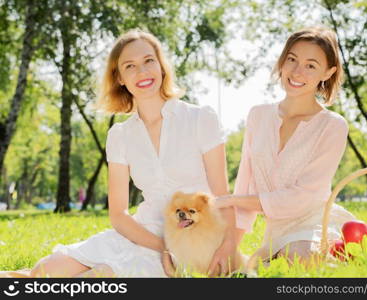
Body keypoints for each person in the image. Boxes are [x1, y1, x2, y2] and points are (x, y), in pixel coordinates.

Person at [26, 29, 236, 277]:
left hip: (193, 236)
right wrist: (161, 247)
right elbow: (118, 215)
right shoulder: (120, 135)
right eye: (130, 66)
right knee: (44, 271)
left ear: (161, 66)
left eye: (149, 61)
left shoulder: (201, 118)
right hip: (142, 233)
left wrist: (228, 247)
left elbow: (223, 197)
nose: (143, 72)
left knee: (101, 277)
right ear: (120, 78)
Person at [215, 27, 356, 266]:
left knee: (300, 257)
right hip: (276, 234)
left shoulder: (332, 126)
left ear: (328, 72)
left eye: (311, 65)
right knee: (241, 266)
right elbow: (245, 184)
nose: (297, 71)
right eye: (292, 59)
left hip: (315, 226)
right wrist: (230, 247)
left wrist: (232, 200)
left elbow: (303, 197)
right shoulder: (258, 116)